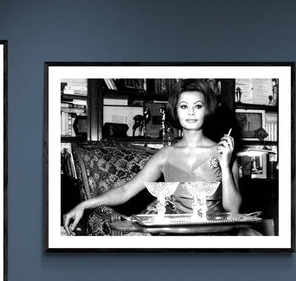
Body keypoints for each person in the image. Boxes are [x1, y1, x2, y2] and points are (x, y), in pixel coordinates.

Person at [61, 80, 241, 232]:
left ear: (206, 110)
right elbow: (126, 190)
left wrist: (225, 165)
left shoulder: (225, 151)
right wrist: (84, 205)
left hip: (215, 235)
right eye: (184, 106)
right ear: (176, 112)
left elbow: (233, 209)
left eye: (198, 106)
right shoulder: (165, 155)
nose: (191, 112)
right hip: (174, 235)